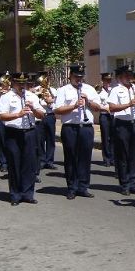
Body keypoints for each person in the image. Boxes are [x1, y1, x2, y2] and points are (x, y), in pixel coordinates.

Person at [54, 64, 103, 199]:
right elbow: (57, 110)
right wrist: (73, 106)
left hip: (86, 127)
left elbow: (98, 108)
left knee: (85, 158)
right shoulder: (63, 90)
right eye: (76, 77)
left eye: (81, 77)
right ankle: (71, 187)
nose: (79, 79)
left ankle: (83, 186)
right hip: (70, 128)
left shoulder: (90, 89)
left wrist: (88, 102)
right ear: (70, 76)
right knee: (70, 157)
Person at [0, 72, 45, 205]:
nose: (22, 86)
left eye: (23, 83)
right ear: (13, 82)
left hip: (30, 132)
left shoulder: (32, 96)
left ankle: (28, 194)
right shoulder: (6, 97)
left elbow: (41, 115)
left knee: (29, 164)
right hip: (13, 133)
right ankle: (15, 195)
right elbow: (1, 116)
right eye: (19, 83)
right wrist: (17, 114)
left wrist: (33, 109)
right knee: (15, 164)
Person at [107, 66, 135, 196]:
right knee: (123, 155)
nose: (129, 78)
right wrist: (130, 103)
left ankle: (134, 184)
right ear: (120, 77)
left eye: (130, 75)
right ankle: (124, 184)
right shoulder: (115, 90)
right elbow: (112, 108)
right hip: (122, 124)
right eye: (126, 75)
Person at [33, 72, 58, 171]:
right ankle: (42, 160)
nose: (45, 80)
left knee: (51, 139)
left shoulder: (53, 90)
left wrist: (49, 99)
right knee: (40, 140)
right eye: (43, 78)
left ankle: (50, 161)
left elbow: (56, 102)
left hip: (50, 115)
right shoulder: (36, 90)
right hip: (40, 117)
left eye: (46, 78)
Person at [97, 72, 115, 167]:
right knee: (105, 137)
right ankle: (106, 158)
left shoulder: (113, 90)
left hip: (113, 116)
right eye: (106, 80)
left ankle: (112, 158)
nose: (108, 82)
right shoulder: (99, 91)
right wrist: (104, 108)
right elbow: (96, 104)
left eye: (110, 80)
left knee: (113, 137)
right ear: (102, 81)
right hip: (104, 115)